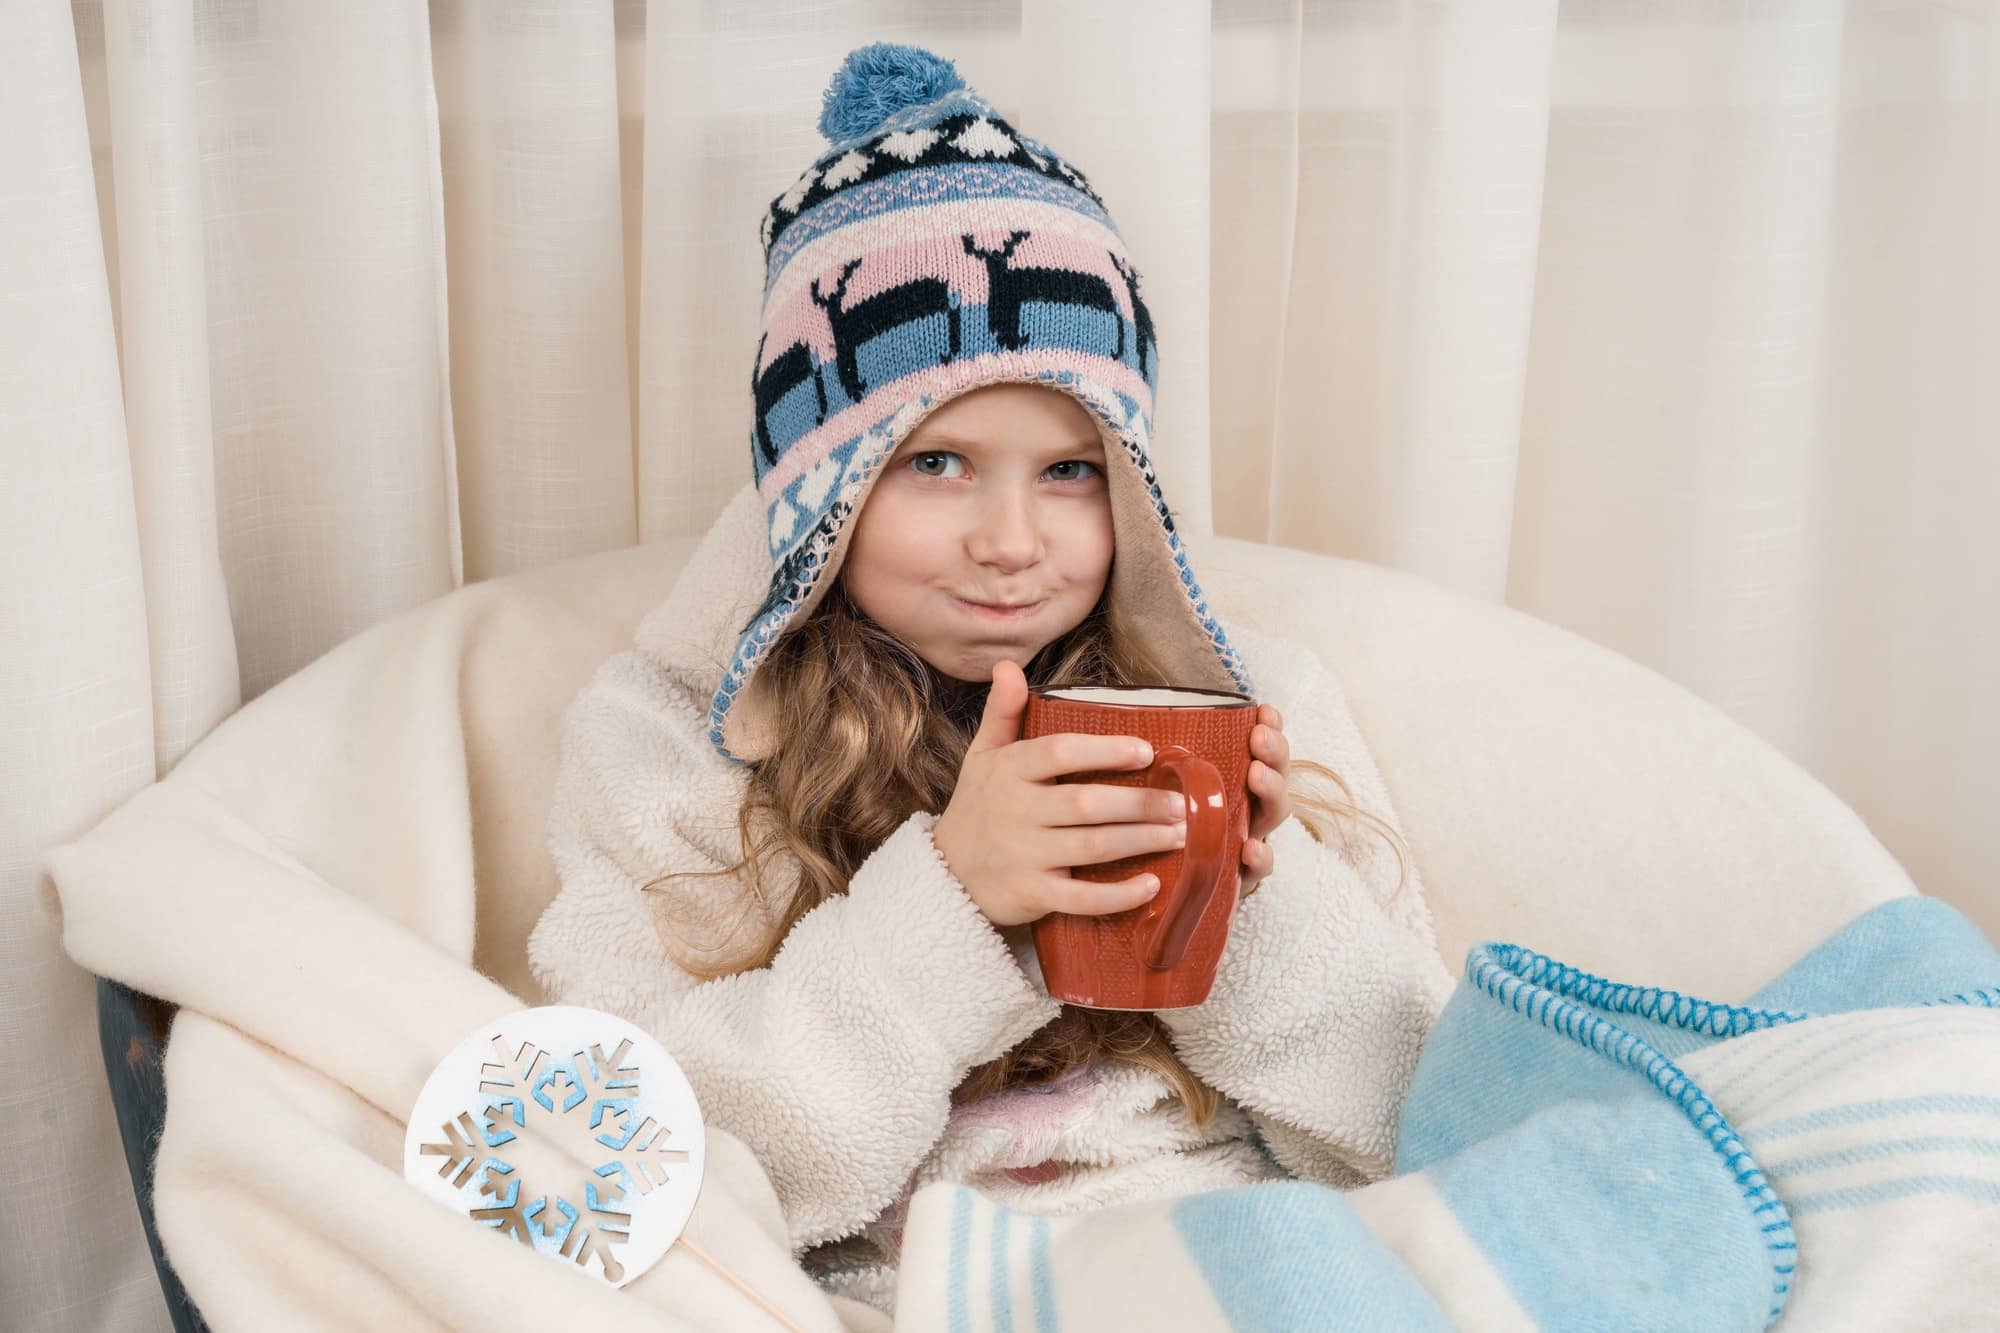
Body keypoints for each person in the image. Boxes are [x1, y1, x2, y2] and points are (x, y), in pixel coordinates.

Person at [528, 41, 1453, 1314]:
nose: (1011, 543)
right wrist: (951, 907)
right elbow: (627, 1166)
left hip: (1229, 1261)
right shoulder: (666, 742)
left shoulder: (1253, 698)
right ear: (818, 488)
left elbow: (1411, 1124)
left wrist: (1242, 908)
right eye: (937, 463)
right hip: (890, 1287)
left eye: (1070, 469)